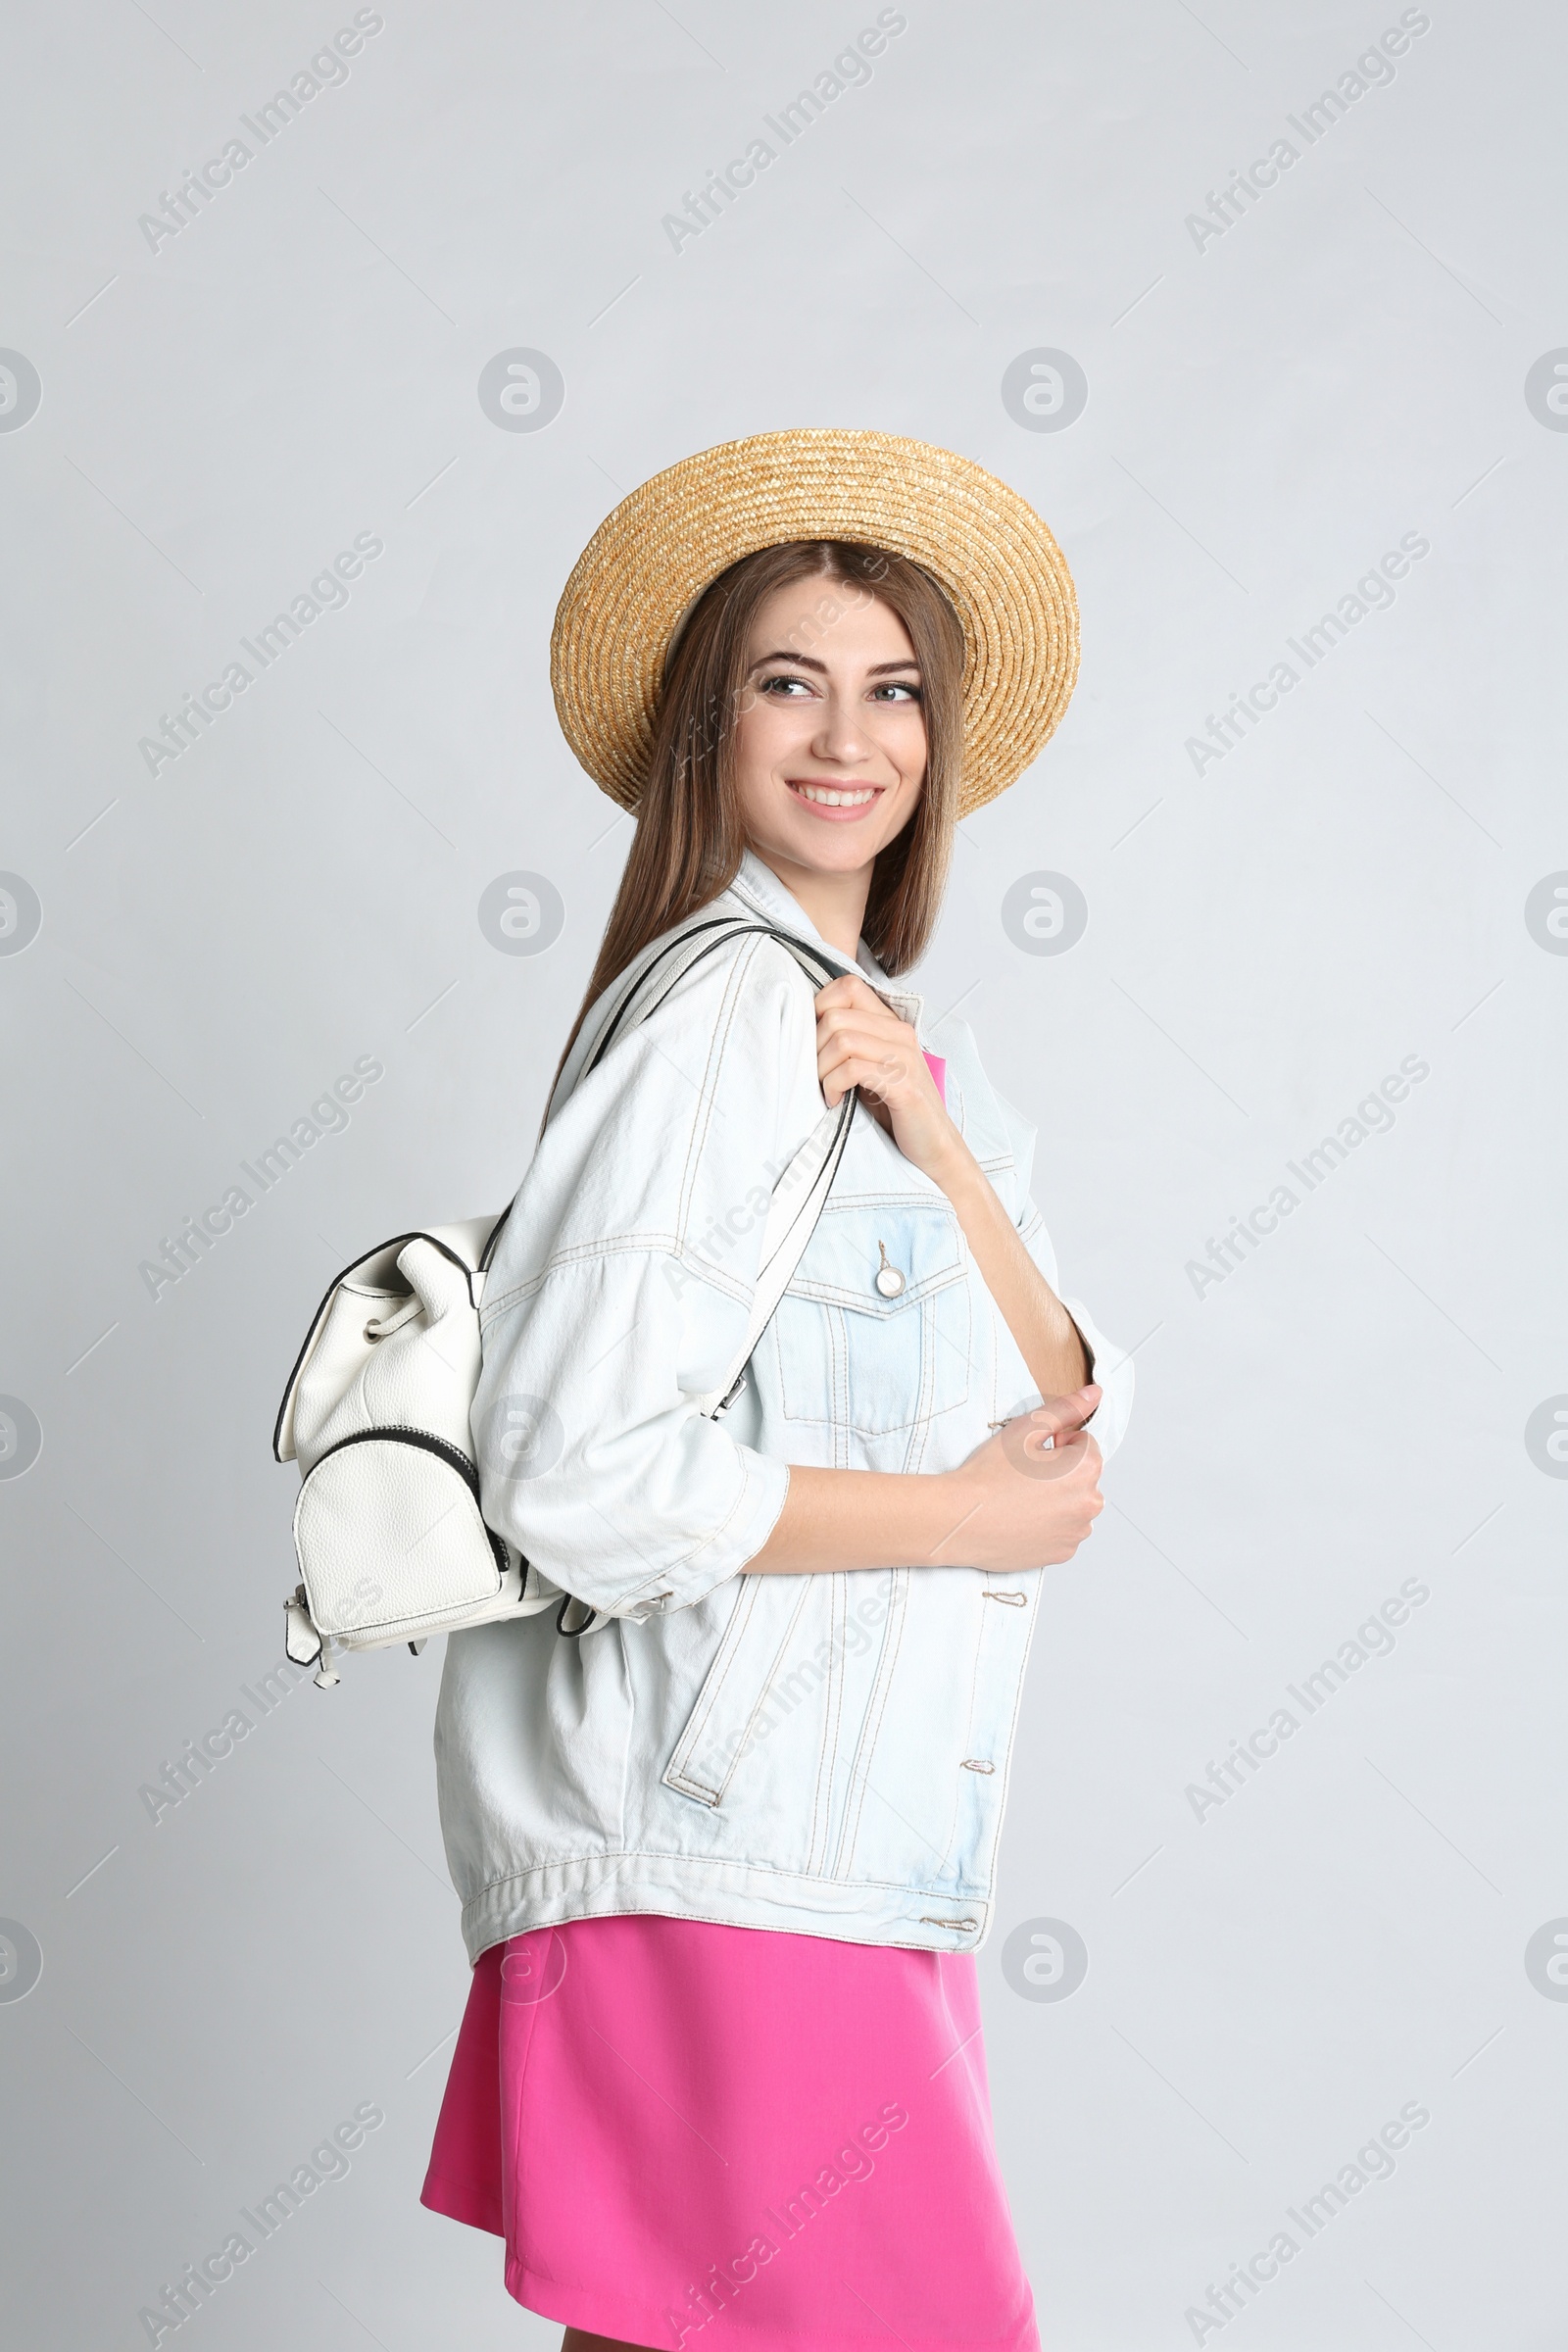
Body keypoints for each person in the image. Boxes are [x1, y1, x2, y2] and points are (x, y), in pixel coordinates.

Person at [419, 429, 1134, 2352]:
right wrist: (962, 1516)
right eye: (787, 681)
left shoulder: (886, 1052)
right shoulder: (726, 1016)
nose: (849, 736)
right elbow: (572, 1476)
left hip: (829, 1853)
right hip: (722, 1856)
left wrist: (945, 1150)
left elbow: (1075, 1436)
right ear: (705, 729)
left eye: (892, 686)